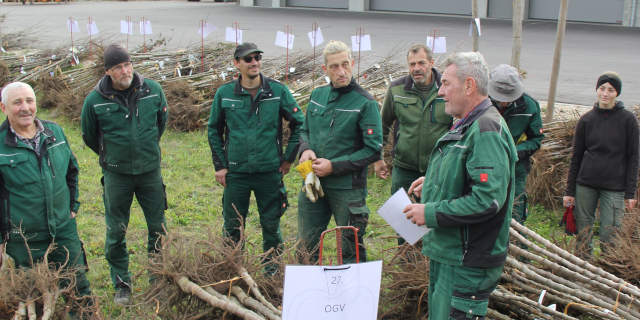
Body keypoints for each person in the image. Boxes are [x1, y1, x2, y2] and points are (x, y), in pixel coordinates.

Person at [403, 52, 516, 319]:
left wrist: (429, 213)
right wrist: (433, 183)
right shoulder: (468, 125)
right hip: (452, 254)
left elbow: (487, 200)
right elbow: (466, 177)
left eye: (446, 84)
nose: (440, 91)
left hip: (467, 260)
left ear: (469, 86)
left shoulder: (486, 130)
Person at [81, 44, 168, 305]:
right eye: (118, 67)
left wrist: (145, 151)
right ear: (108, 71)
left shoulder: (152, 90)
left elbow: (160, 125)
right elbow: (89, 136)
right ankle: (121, 283)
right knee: (116, 230)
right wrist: (113, 156)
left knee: (158, 227)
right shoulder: (95, 101)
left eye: (128, 64)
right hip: (117, 176)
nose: (125, 70)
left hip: (149, 173)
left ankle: (158, 278)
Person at [207, 42, 304, 273]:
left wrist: (288, 159)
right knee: (232, 226)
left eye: (257, 58)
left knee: (271, 225)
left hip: (269, 171)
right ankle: (231, 271)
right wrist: (220, 166)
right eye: (248, 59)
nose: (254, 63)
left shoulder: (277, 91)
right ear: (236, 64)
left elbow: (299, 123)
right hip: (236, 173)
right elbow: (213, 129)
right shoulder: (225, 93)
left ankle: (271, 271)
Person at [0, 82, 93, 316]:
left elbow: (71, 170)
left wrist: (73, 206)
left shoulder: (55, 133)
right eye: (17, 102)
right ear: (3, 107)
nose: (25, 108)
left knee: (77, 285)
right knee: (30, 298)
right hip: (24, 238)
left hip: (63, 228)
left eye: (29, 101)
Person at [297, 40, 382, 264]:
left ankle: (353, 296)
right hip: (313, 181)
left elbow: (373, 150)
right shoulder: (317, 95)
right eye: (334, 66)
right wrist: (305, 149)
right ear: (325, 69)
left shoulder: (365, 103)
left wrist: (334, 166)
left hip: (347, 189)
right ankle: (310, 294)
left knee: (349, 246)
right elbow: (304, 130)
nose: (341, 71)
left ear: (352, 64)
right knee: (307, 243)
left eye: (345, 64)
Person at [375, 43, 452, 245]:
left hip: (437, 170)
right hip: (404, 167)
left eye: (421, 63)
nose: (416, 68)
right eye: (412, 64)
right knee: (404, 221)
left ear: (432, 63)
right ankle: (406, 261)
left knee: (436, 218)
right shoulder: (397, 89)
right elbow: (382, 124)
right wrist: (378, 157)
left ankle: (428, 262)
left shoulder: (447, 88)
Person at [563, 72, 638, 257]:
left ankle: (607, 268)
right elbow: (576, 157)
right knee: (583, 230)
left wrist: (630, 192)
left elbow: (634, 157)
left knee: (610, 232)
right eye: (602, 88)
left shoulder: (628, 121)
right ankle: (583, 267)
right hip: (586, 184)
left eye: (610, 90)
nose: (605, 93)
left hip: (614, 187)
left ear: (617, 93)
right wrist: (570, 191)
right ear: (597, 90)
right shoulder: (587, 120)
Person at [488, 64, 544, 223]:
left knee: (515, 213)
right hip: (486, 167)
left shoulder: (529, 106)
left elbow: (536, 140)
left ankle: (516, 245)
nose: (503, 103)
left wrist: (514, 151)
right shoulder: (482, 102)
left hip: (515, 168)